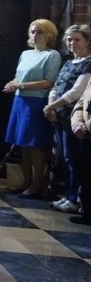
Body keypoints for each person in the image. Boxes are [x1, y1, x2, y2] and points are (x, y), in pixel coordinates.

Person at [3, 19, 61, 198]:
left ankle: (36, 185)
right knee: (22, 144)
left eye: (40, 32)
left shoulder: (52, 55)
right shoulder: (25, 54)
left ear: (49, 34)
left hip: (36, 103)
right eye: (33, 31)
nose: (35, 35)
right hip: (20, 101)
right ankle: (26, 181)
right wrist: (12, 84)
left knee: (34, 145)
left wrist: (21, 85)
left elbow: (49, 81)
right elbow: (18, 76)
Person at [44, 24, 91, 212]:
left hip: (75, 117)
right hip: (59, 115)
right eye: (70, 39)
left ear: (88, 42)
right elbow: (56, 85)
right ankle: (69, 195)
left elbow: (76, 92)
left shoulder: (88, 64)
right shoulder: (68, 63)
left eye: (77, 39)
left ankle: (75, 198)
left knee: (74, 159)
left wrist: (51, 106)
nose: (72, 43)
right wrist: (51, 105)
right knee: (64, 158)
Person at [69, 78, 91, 226]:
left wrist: (87, 126)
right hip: (86, 133)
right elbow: (82, 100)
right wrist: (77, 123)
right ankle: (87, 213)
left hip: (88, 130)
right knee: (86, 174)